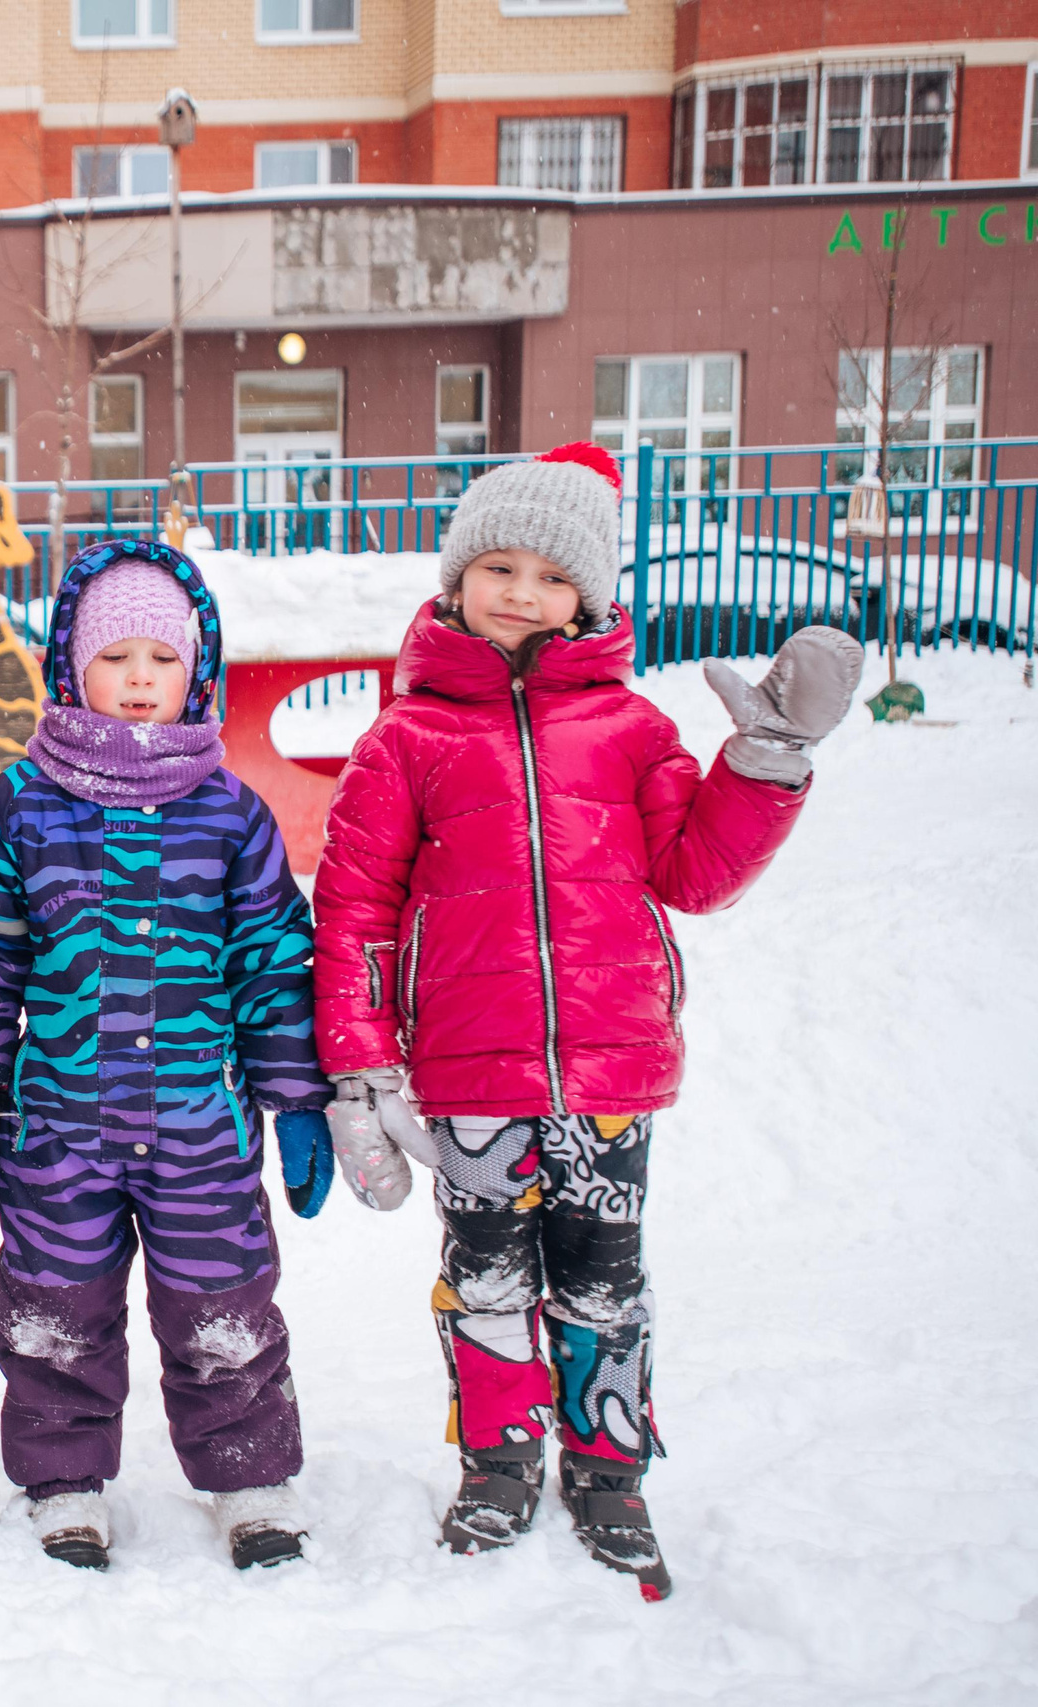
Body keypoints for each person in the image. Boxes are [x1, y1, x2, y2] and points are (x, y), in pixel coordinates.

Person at [310, 441, 863, 1600]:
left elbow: (698, 874)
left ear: (590, 597)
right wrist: (362, 1069)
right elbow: (353, 908)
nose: (520, 592)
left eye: (551, 574)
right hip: (467, 1075)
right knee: (487, 1279)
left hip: (607, 1067)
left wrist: (766, 762)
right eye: (496, 565)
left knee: (606, 1279)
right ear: (455, 578)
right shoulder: (404, 739)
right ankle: (497, 1463)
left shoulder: (627, 729)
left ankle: (609, 1472)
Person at [0, 538, 337, 1575]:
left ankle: (247, 1475)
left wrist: (292, 1098)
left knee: (222, 1307)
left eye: (163, 657)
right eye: (117, 658)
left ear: (197, 671)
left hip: (200, 1126)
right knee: (56, 1313)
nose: (141, 679)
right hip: (58, 1126)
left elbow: (272, 965)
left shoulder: (230, 813)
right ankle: (63, 1485)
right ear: (71, 666)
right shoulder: (16, 810)